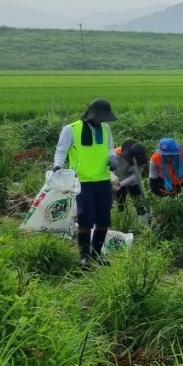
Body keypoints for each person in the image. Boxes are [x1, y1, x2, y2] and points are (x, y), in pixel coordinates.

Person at [52, 98, 117, 266]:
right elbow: (61, 149)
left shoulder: (105, 128)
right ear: (92, 114)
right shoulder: (71, 129)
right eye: (101, 116)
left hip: (103, 180)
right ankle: (84, 256)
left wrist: (112, 157)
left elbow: (110, 147)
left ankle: (97, 254)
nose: (103, 120)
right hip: (82, 182)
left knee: (104, 220)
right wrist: (57, 165)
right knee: (85, 219)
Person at [111, 140, 148, 214]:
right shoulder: (117, 153)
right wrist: (114, 178)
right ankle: (124, 217)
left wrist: (122, 183)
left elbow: (135, 176)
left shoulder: (143, 159)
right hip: (117, 178)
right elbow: (109, 167)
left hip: (133, 181)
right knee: (121, 202)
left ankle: (143, 217)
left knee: (138, 201)